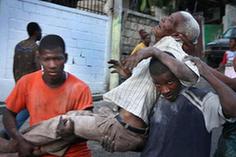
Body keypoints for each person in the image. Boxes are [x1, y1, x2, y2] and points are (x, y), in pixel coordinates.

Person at [0, 11, 200, 156]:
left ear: (177, 35)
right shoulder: (161, 48)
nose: (164, 19)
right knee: (68, 122)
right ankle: (30, 147)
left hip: (122, 129)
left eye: (170, 20)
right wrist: (127, 73)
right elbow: (145, 88)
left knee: (65, 123)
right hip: (117, 121)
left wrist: (152, 51)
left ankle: (13, 145)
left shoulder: (169, 47)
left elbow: (192, 74)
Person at [2, 34, 93, 157]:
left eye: (57, 58)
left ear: (65, 58)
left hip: (74, 153)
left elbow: (88, 130)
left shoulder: (81, 88)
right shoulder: (27, 82)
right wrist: (20, 140)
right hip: (37, 151)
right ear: (39, 59)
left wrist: (69, 134)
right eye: (47, 59)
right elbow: (9, 113)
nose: (52, 65)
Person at [140, 56, 236, 157]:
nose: (165, 90)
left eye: (170, 82)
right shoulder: (153, 100)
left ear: (179, 76)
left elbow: (233, 108)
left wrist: (206, 72)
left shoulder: (202, 101)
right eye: (158, 85)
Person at [0, 22, 42, 139]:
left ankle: (9, 131)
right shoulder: (36, 48)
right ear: (36, 32)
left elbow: (14, 65)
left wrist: (17, 82)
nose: (41, 33)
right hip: (32, 84)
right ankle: (8, 132)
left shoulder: (18, 46)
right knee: (29, 108)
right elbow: (38, 68)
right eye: (40, 31)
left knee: (19, 108)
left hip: (19, 81)